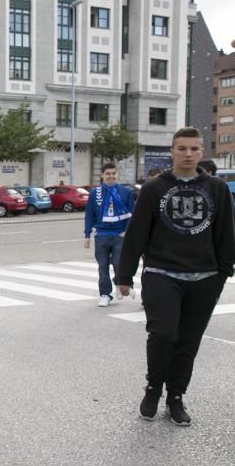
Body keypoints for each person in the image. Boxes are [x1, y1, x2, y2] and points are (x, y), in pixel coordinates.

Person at [118, 127, 234, 426]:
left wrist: (223, 272)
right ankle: (154, 388)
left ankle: (176, 397)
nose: (188, 154)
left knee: (188, 342)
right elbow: (136, 233)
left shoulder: (217, 189)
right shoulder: (154, 188)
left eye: (194, 149)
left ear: (202, 152)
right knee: (164, 334)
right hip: (161, 273)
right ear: (172, 151)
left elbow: (226, 234)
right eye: (182, 148)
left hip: (205, 277)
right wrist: (125, 274)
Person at [84, 162, 134, 307]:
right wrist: (87, 235)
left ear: (117, 174)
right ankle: (105, 294)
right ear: (102, 175)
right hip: (101, 235)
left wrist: (127, 231)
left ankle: (119, 283)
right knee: (103, 266)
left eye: (113, 173)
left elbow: (133, 213)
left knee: (119, 263)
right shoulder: (95, 193)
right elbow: (89, 215)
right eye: (108, 174)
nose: (111, 176)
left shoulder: (125, 192)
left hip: (120, 234)